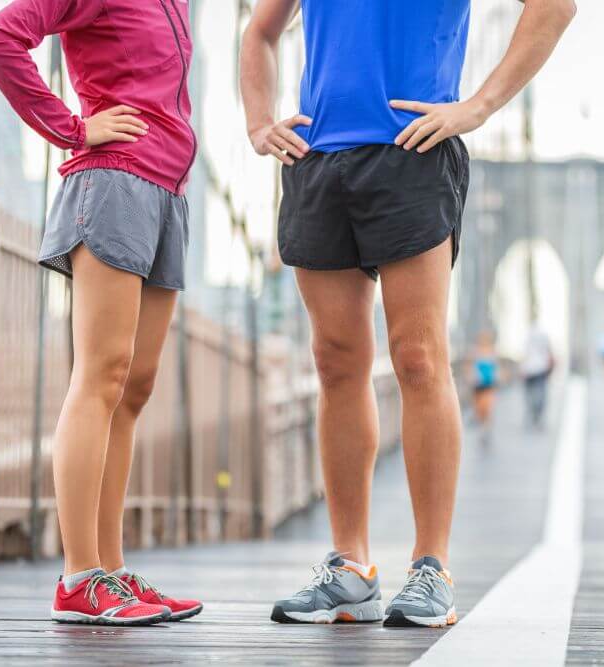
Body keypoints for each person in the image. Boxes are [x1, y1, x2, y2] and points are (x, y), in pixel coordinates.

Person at [241, 0, 575, 627]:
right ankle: (351, 568)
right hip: (316, 160)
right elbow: (259, 31)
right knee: (336, 363)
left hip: (412, 150)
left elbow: (555, 6)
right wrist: (259, 123)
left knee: (419, 357)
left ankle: (432, 568)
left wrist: (477, 106)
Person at [0, 0, 203, 625]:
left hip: (168, 193)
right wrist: (74, 127)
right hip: (115, 182)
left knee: (134, 387)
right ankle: (79, 577)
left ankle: (111, 570)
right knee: (101, 376)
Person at [522, 322, 555, 429]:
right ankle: (536, 414)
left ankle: (534, 413)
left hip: (532, 368)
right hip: (540, 368)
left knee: (533, 393)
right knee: (539, 393)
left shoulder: (528, 336)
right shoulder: (543, 336)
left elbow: (524, 353)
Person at [471, 332, 500, 444]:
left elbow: (496, 369)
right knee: (480, 410)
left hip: (489, 384)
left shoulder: (492, 353)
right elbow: (470, 368)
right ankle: (483, 428)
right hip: (478, 384)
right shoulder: (475, 353)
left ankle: (486, 429)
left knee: (487, 407)